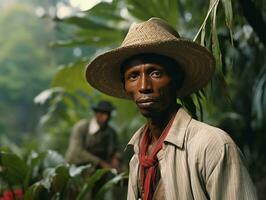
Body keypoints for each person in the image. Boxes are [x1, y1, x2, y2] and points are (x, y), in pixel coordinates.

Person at [85, 18, 257, 200]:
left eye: (155, 73)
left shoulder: (212, 147)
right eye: (133, 76)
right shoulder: (138, 157)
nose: (144, 86)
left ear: (177, 79)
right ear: (126, 87)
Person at [65, 100, 119, 170]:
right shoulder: (81, 128)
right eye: (102, 114)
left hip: (100, 170)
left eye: (108, 114)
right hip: (77, 168)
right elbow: (76, 151)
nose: (105, 118)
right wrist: (99, 162)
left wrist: (115, 158)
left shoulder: (111, 132)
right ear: (96, 114)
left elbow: (115, 149)